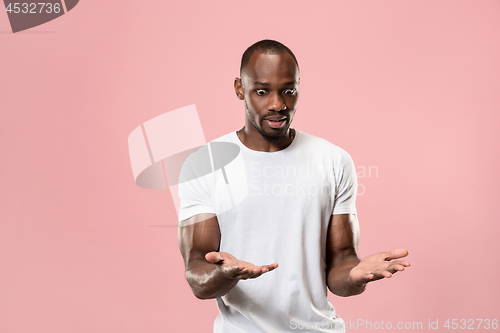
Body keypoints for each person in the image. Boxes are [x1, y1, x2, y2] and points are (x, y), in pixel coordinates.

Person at [177, 39, 410, 333]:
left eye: (288, 90)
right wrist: (226, 274)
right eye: (262, 91)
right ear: (239, 88)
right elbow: (197, 272)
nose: (278, 104)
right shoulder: (205, 165)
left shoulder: (334, 160)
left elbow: (340, 263)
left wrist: (355, 275)